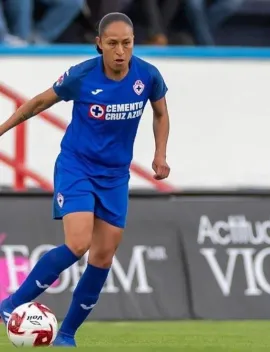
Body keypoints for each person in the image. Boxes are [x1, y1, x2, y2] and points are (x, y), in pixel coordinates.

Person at [0, 12, 171, 347]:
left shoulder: (148, 75)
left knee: (103, 256)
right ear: (99, 45)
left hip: (115, 176)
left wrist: (160, 154)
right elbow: (37, 103)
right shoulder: (82, 75)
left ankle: (67, 334)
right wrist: (3, 128)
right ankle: (11, 304)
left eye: (127, 43)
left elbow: (161, 113)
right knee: (78, 243)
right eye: (113, 44)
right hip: (77, 168)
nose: (121, 51)